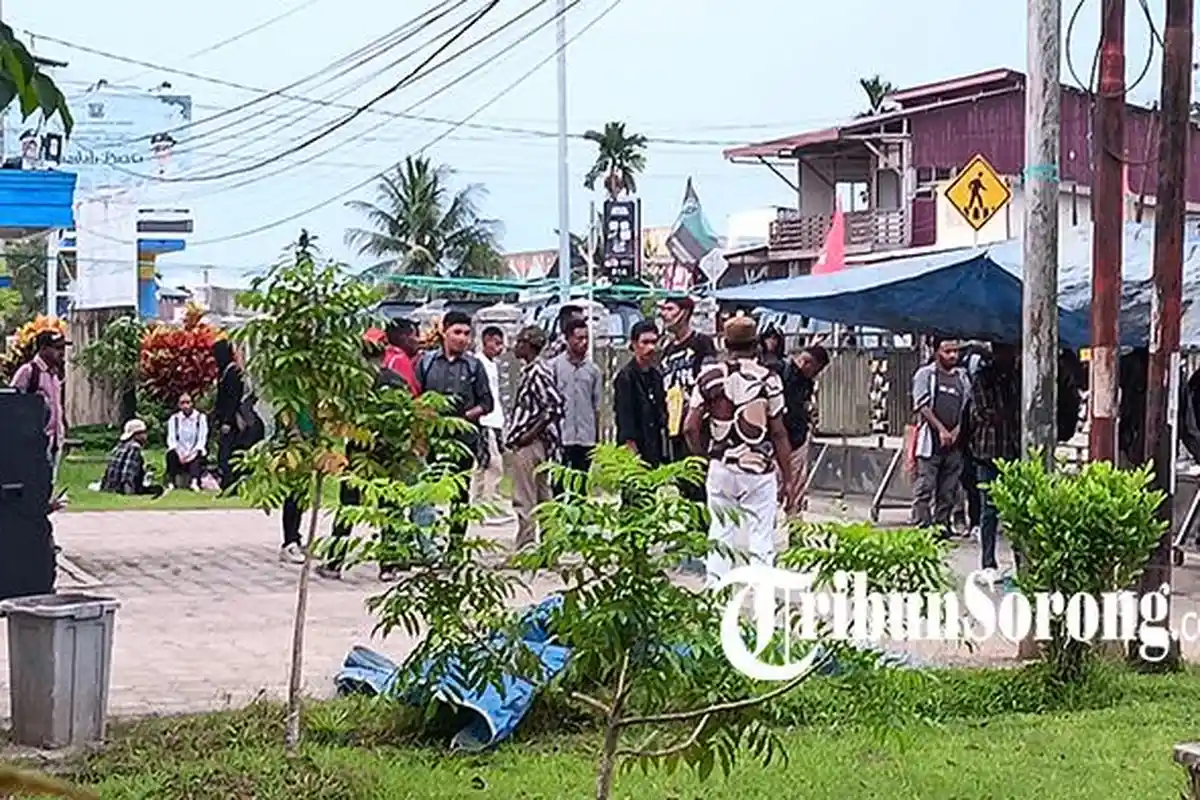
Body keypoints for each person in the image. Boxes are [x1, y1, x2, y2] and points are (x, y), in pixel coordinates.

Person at [684, 316, 791, 585]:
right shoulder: (770, 380)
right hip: (758, 469)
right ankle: (763, 602)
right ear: (756, 344)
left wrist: (703, 458)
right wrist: (787, 477)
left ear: (725, 343)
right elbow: (778, 431)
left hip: (721, 466)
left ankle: (715, 598)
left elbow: (690, 427)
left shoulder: (709, 377)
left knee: (720, 534)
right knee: (761, 539)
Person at [318, 330, 412, 579]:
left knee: (348, 505)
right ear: (384, 355)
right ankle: (388, 565)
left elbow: (341, 419)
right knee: (389, 505)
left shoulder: (354, 384)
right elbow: (406, 416)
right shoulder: (396, 381)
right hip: (388, 451)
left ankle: (334, 562)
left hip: (359, 452)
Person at [414, 310, 494, 548]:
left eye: (467, 334)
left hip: (463, 440)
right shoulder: (427, 362)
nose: (462, 338)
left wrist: (463, 417)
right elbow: (415, 398)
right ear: (444, 332)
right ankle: (426, 545)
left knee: (460, 494)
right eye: (457, 332)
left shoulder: (474, 366)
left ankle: (456, 546)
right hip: (432, 438)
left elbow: (486, 403)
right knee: (426, 492)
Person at [503, 326, 564, 549]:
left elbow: (554, 406)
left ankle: (526, 546)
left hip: (532, 445)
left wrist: (528, 435)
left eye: (520, 342)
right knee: (541, 495)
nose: (516, 346)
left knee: (525, 496)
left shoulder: (538, 372)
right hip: (535, 443)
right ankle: (550, 545)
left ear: (529, 346)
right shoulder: (530, 370)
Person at [969, 342, 1020, 586]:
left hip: (1013, 451)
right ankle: (988, 563)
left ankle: (1021, 563)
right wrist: (1008, 413)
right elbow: (983, 413)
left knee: (1018, 510)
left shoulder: (1017, 378)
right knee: (989, 510)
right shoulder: (983, 378)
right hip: (988, 452)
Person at [910, 337, 972, 538]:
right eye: (947, 351)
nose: (953, 355)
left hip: (954, 445)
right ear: (937, 352)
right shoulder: (926, 374)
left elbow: (967, 407)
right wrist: (941, 430)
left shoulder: (962, 378)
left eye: (955, 351)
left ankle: (942, 526)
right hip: (931, 443)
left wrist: (957, 431)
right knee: (925, 487)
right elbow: (922, 405)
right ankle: (923, 526)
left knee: (949, 490)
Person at [660, 296, 717, 491]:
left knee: (699, 482)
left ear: (684, 313)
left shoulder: (702, 343)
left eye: (669, 309)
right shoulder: (667, 350)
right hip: (673, 425)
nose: (664, 314)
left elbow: (710, 381)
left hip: (698, 423)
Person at [780, 345, 830, 518]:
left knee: (795, 487)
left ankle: (794, 521)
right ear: (808, 363)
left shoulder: (806, 382)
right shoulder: (783, 373)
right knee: (783, 487)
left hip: (796, 437)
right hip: (783, 438)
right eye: (816, 370)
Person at [10, 330, 67, 477]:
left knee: (49, 482)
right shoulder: (29, 372)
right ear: (43, 348)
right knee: (33, 480)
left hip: (54, 439)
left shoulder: (54, 374)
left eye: (63, 348)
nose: (61, 352)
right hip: (34, 439)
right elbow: (12, 404)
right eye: (57, 348)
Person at [550, 317, 601, 481]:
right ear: (568, 339)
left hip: (586, 437)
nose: (584, 342)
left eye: (586, 338)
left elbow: (597, 405)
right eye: (579, 338)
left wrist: (596, 438)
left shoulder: (593, 370)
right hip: (562, 436)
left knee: (581, 483)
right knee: (559, 482)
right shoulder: (554, 367)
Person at [614, 320, 668, 467]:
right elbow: (624, 416)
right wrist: (630, 447)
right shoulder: (626, 377)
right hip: (635, 446)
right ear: (634, 344)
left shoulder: (656, 376)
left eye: (653, 342)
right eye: (645, 342)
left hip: (654, 446)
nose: (650, 347)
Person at [473, 325, 507, 511]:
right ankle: (487, 502)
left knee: (486, 464)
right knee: (492, 464)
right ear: (485, 341)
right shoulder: (478, 363)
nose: (500, 348)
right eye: (496, 343)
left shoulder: (493, 364)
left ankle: (481, 501)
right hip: (485, 421)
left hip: (496, 420)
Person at [211, 339, 246, 490]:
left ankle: (229, 484)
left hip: (231, 421)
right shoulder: (225, 371)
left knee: (227, 453)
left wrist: (227, 421)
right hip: (225, 419)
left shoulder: (232, 373)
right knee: (225, 453)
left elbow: (232, 400)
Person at [100, 419, 163, 497]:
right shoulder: (134, 448)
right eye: (144, 432)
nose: (146, 435)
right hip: (121, 488)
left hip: (110, 486)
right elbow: (128, 474)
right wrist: (129, 492)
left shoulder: (119, 447)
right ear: (136, 435)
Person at [165, 393, 208, 490]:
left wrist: (192, 454)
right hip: (180, 452)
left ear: (192, 403)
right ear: (179, 405)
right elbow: (171, 439)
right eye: (182, 403)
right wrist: (180, 453)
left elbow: (202, 439)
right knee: (170, 454)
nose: (185, 406)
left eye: (188, 402)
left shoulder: (200, 418)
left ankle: (194, 482)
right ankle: (171, 482)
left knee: (198, 456)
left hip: (194, 451)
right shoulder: (174, 419)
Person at [383, 318, 422, 396]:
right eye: (415, 335)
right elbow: (410, 393)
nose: (418, 340)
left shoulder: (385, 355)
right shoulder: (399, 360)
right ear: (404, 337)